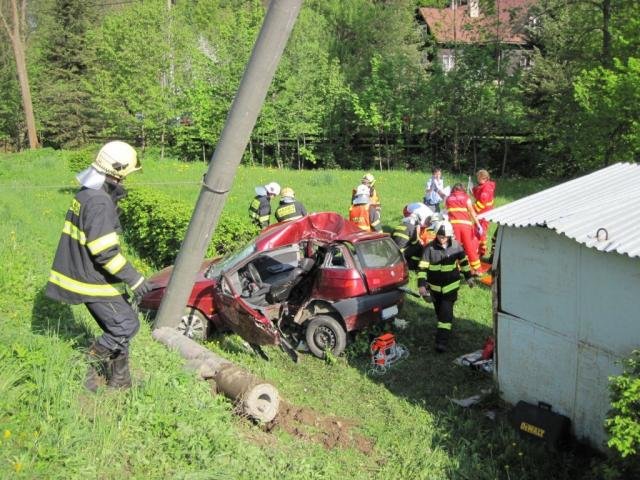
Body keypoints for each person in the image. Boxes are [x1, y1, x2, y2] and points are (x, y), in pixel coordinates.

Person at [46, 141, 154, 391]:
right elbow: (105, 253)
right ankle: (84, 365)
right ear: (118, 171)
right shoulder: (99, 202)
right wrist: (135, 279)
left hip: (83, 271)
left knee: (118, 324)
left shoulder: (87, 192)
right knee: (127, 324)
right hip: (89, 278)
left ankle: (120, 380)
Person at [417, 220, 474, 353]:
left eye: (445, 237)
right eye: (440, 236)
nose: (442, 239)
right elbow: (422, 268)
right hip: (435, 290)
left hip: (451, 289)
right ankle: (445, 328)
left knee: (445, 315)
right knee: (440, 313)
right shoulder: (429, 249)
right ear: (436, 234)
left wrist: (469, 277)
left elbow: (464, 262)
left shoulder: (456, 246)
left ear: (449, 236)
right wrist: (421, 285)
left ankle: (441, 343)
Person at [445, 183, 483, 273]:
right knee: (469, 247)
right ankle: (478, 269)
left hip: (453, 227)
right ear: (462, 190)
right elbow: (472, 212)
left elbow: (447, 210)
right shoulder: (466, 198)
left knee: (454, 247)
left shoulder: (448, 198)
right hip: (466, 227)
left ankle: (455, 268)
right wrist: (478, 225)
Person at [392, 203, 433, 270]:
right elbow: (415, 242)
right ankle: (415, 265)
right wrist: (419, 240)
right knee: (418, 246)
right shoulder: (413, 227)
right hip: (408, 209)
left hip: (393, 251)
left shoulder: (398, 226)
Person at [472, 169, 496, 258]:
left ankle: (481, 251)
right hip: (482, 213)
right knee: (478, 231)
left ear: (484, 178)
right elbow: (478, 194)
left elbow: (482, 203)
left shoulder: (486, 188)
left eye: (478, 178)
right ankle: (479, 249)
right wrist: (474, 189)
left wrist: (472, 209)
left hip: (484, 214)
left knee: (480, 232)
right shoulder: (484, 186)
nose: (477, 179)